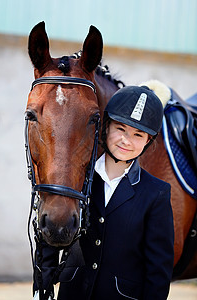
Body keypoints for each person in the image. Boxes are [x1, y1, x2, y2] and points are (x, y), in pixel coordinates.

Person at [34, 85, 174, 300]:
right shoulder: (77, 180)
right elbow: (50, 236)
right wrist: (42, 287)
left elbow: (158, 269)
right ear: (106, 127)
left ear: (148, 141)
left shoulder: (157, 193)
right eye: (120, 128)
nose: (126, 140)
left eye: (138, 134)